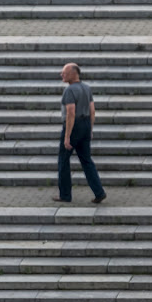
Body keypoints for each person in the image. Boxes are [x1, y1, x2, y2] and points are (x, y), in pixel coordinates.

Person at [53, 62, 106, 204]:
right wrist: (90, 129)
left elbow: (70, 112)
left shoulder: (69, 91)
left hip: (73, 126)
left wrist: (67, 136)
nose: (61, 74)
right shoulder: (86, 88)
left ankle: (65, 195)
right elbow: (92, 110)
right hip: (86, 124)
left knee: (63, 161)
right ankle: (99, 192)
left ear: (73, 74)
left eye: (64, 72)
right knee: (87, 160)